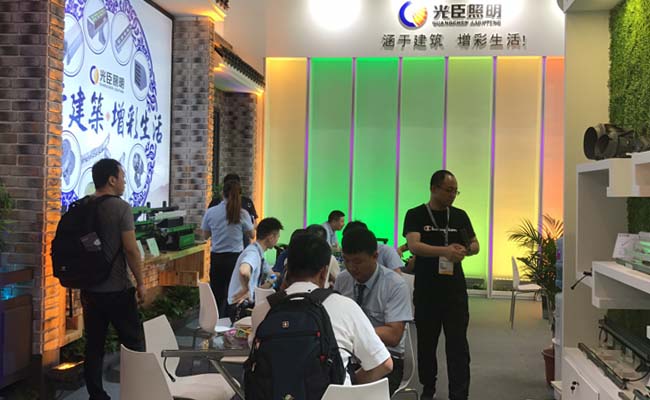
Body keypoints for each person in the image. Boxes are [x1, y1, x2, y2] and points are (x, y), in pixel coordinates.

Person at [252, 233, 393, 385]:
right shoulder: (344, 306)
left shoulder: (263, 309)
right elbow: (383, 364)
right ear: (324, 272)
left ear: (287, 268)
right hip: (333, 394)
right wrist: (350, 384)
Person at [403, 170, 480, 400]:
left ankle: (459, 393)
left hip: (454, 292)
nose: (453, 195)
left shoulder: (459, 216)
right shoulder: (416, 214)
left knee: (458, 346)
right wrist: (444, 251)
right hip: (427, 291)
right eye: (448, 190)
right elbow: (414, 245)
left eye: (456, 191)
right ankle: (428, 388)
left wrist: (465, 250)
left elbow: (475, 244)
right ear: (433, 188)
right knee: (427, 344)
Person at [81, 158, 145, 400]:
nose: (125, 182)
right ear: (111, 180)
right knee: (132, 343)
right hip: (117, 289)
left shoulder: (84, 206)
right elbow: (130, 249)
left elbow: (87, 245)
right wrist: (140, 282)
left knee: (94, 345)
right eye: (123, 177)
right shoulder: (121, 208)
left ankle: (96, 396)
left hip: (90, 289)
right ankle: (137, 393)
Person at [334, 228, 413, 395]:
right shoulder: (342, 280)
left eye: (358, 261)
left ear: (375, 256)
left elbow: (393, 335)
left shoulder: (395, 285)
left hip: (386, 358)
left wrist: (354, 333)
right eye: (346, 260)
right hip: (350, 356)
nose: (351, 267)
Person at [201, 179, 254, 315]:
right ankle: (232, 320)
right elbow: (252, 235)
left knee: (217, 294)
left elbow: (205, 235)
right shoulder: (242, 214)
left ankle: (216, 320)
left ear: (222, 193)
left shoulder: (211, 212)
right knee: (234, 293)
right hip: (235, 259)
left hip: (217, 258)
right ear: (239, 195)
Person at [226, 217, 283, 322]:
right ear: (271, 237)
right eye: (277, 237)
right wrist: (246, 289)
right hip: (240, 307)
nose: (277, 240)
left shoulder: (259, 253)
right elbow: (244, 270)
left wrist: (273, 279)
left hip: (245, 305)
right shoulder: (253, 253)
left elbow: (272, 274)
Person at [209, 173, 258, 247]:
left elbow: (207, 231)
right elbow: (253, 229)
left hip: (219, 247)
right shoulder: (245, 205)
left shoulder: (215, 205)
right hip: (240, 246)